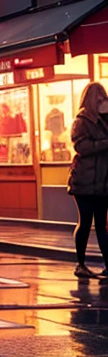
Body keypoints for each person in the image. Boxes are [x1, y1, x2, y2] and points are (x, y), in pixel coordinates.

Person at [69, 82, 108, 278]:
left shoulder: (105, 120)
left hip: (103, 182)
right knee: (85, 222)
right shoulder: (81, 121)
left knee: (102, 224)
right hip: (84, 182)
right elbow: (82, 147)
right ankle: (81, 263)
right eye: (99, 98)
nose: (103, 100)